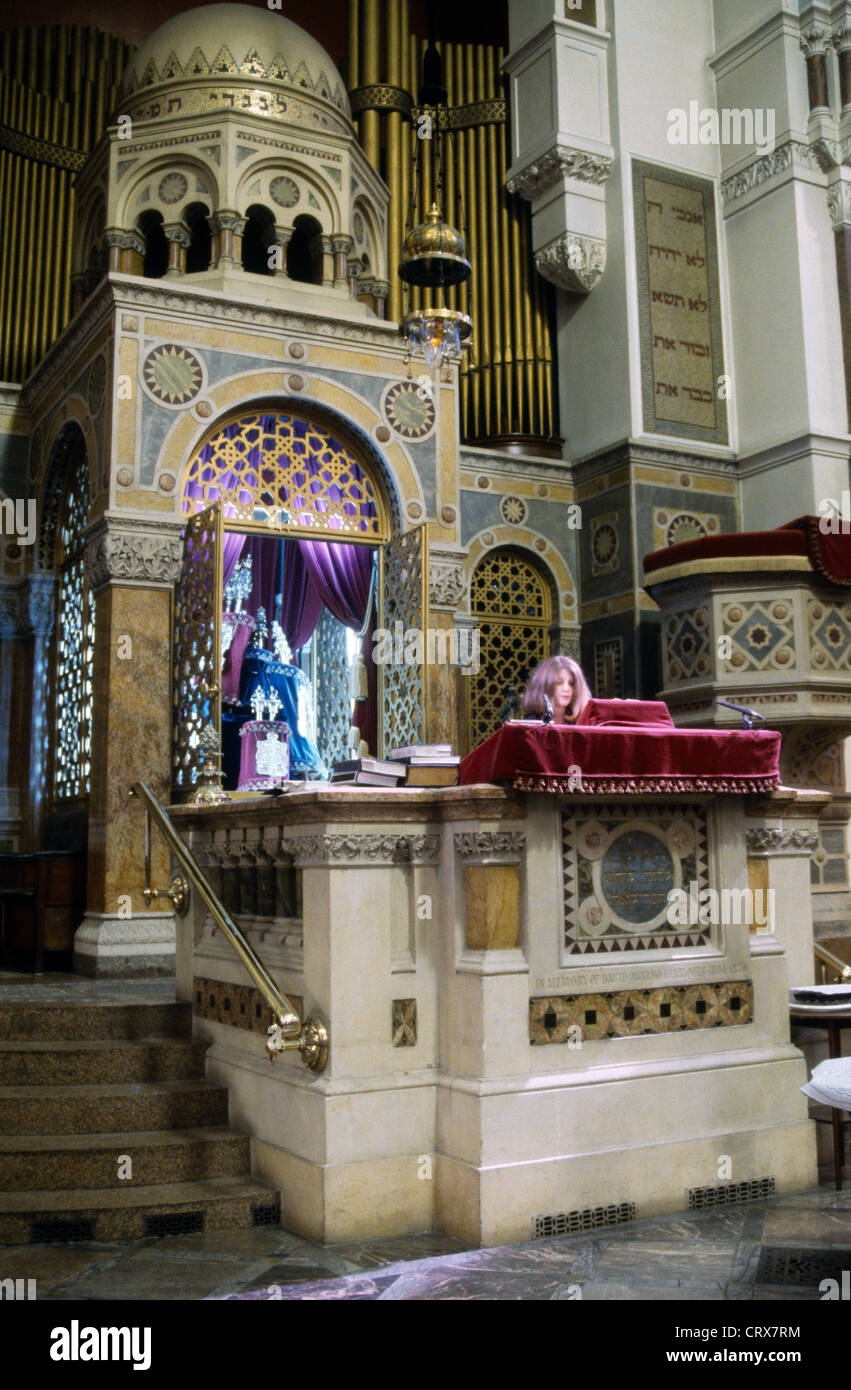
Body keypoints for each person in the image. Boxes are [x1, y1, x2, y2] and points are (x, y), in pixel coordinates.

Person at [521, 655, 592, 724]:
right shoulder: (532, 724)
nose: (566, 688)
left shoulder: (583, 723)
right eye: (559, 683)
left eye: (571, 683)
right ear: (545, 686)